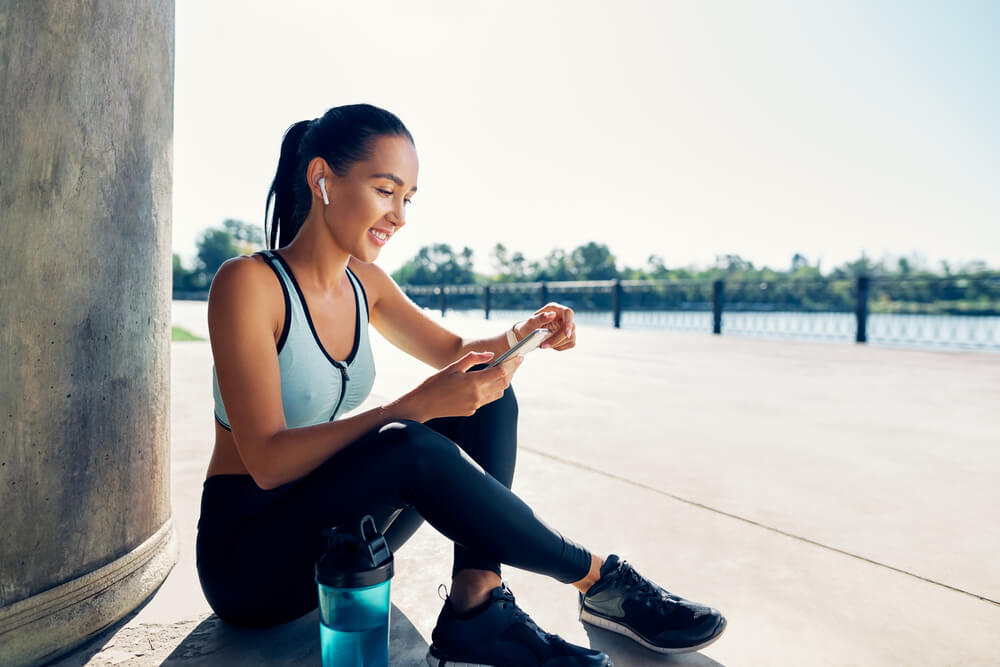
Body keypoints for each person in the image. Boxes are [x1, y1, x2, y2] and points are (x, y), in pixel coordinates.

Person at [196, 103, 726, 666]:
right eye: (385, 190)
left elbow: (457, 354)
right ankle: (601, 582)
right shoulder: (249, 283)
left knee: (484, 390)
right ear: (322, 178)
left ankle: (477, 605)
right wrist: (412, 407)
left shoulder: (365, 283)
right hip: (251, 562)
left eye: (409, 198)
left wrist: (525, 333)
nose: (399, 215)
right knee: (406, 442)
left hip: (342, 539)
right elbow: (269, 462)